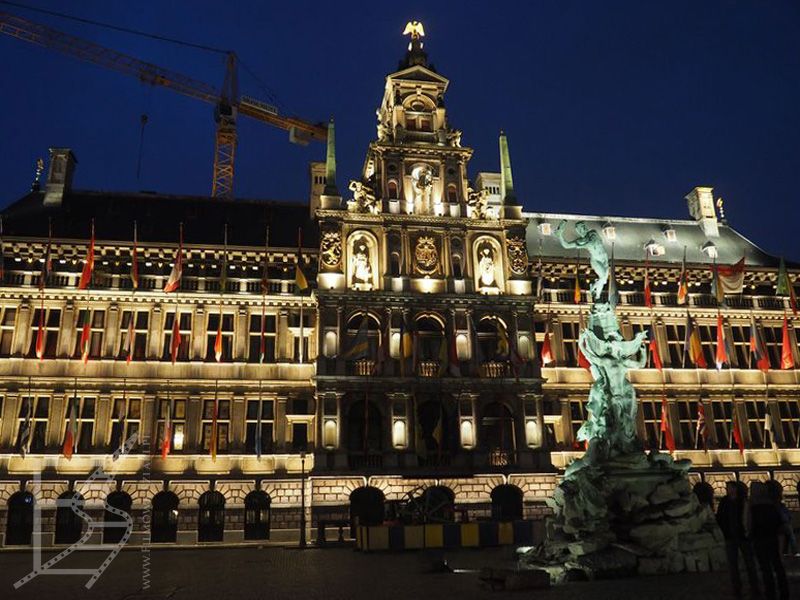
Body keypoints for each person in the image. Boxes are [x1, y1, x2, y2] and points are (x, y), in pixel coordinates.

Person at [716, 481, 760, 598]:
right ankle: (737, 590)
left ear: (735, 488)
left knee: (750, 563)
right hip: (730, 537)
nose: (727, 489)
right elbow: (720, 517)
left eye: (729, 487)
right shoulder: (724, 501)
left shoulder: (743, 501)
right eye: (727, 487)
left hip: (743, 537)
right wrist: (724, 530)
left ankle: (755, 588)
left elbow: (749, 518)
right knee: (733, 565)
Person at [750, 481, 789, 600]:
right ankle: (784, 593)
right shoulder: (772, 506)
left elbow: (749, 525)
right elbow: (781, 524)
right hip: (773, 539)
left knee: (766, 569)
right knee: (778, 567)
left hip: (760, 541)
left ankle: (770, 593)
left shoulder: (753, 508)